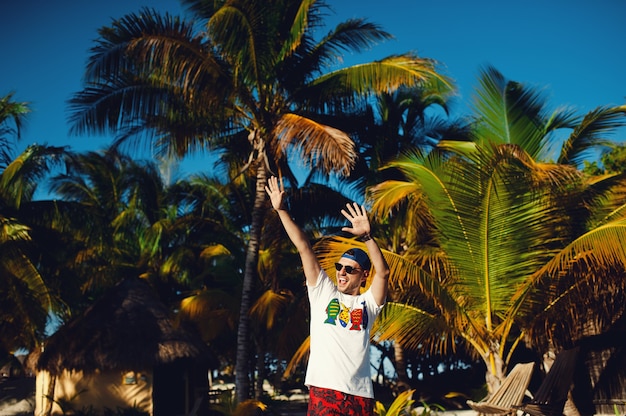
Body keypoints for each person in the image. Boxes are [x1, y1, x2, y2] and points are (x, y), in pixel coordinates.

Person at [265, 176, 390, 416]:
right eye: (339, 267)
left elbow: (383, 273)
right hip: (326, 390)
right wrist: (281, 210)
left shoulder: (369, 304)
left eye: (349, 269)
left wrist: (367, 237)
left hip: (361, 395)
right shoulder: (323, 291)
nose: (341, 272)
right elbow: (303, 246)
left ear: (363, 275)